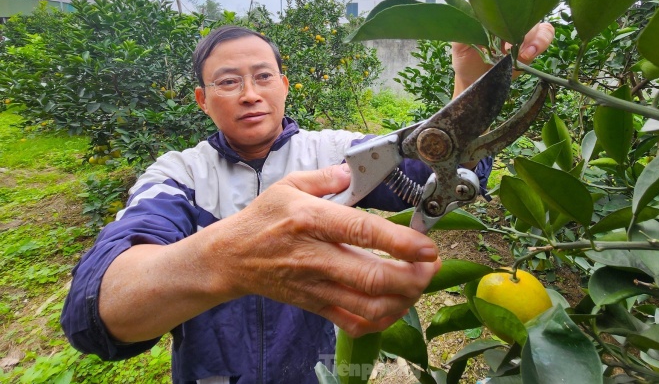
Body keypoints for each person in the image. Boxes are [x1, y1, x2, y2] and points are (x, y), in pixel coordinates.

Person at [61, 23, 554, 384]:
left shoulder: (333, 153)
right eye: (228, 82)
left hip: (318, 371)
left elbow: (446, 171)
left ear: (284, 85)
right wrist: (225, 260)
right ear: (201, 99)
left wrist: (469, 81)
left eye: (263, 76)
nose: (250, 94)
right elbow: (94, 315)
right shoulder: (179, 175)